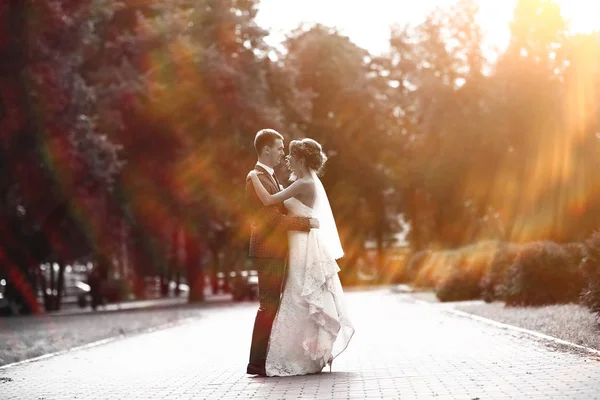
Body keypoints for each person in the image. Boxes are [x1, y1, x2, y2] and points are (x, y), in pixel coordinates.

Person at [248, 137, 354, 377]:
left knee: (298, 296)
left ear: (302, 159)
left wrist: (254, 177)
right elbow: (271, 213)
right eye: (282, 151)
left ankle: (295, 356)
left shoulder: (304, 183)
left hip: (302, 245)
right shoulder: (300, 182)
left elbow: (269, 201)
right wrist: (306, 222)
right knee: (296, 297)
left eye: (291, 155)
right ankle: (301, 355)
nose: (287, 158)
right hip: (296, 243)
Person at [245, 129, 320, 377]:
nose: (282, 152)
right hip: (267, 251)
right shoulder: (255, 177)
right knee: (268, 305)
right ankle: (256, 363)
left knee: (274, 305)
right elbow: (270, 219)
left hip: (278, 251)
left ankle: (265, 358)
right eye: (279, 147)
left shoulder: (271, 178)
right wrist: (305, 224)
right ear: (266, 149)